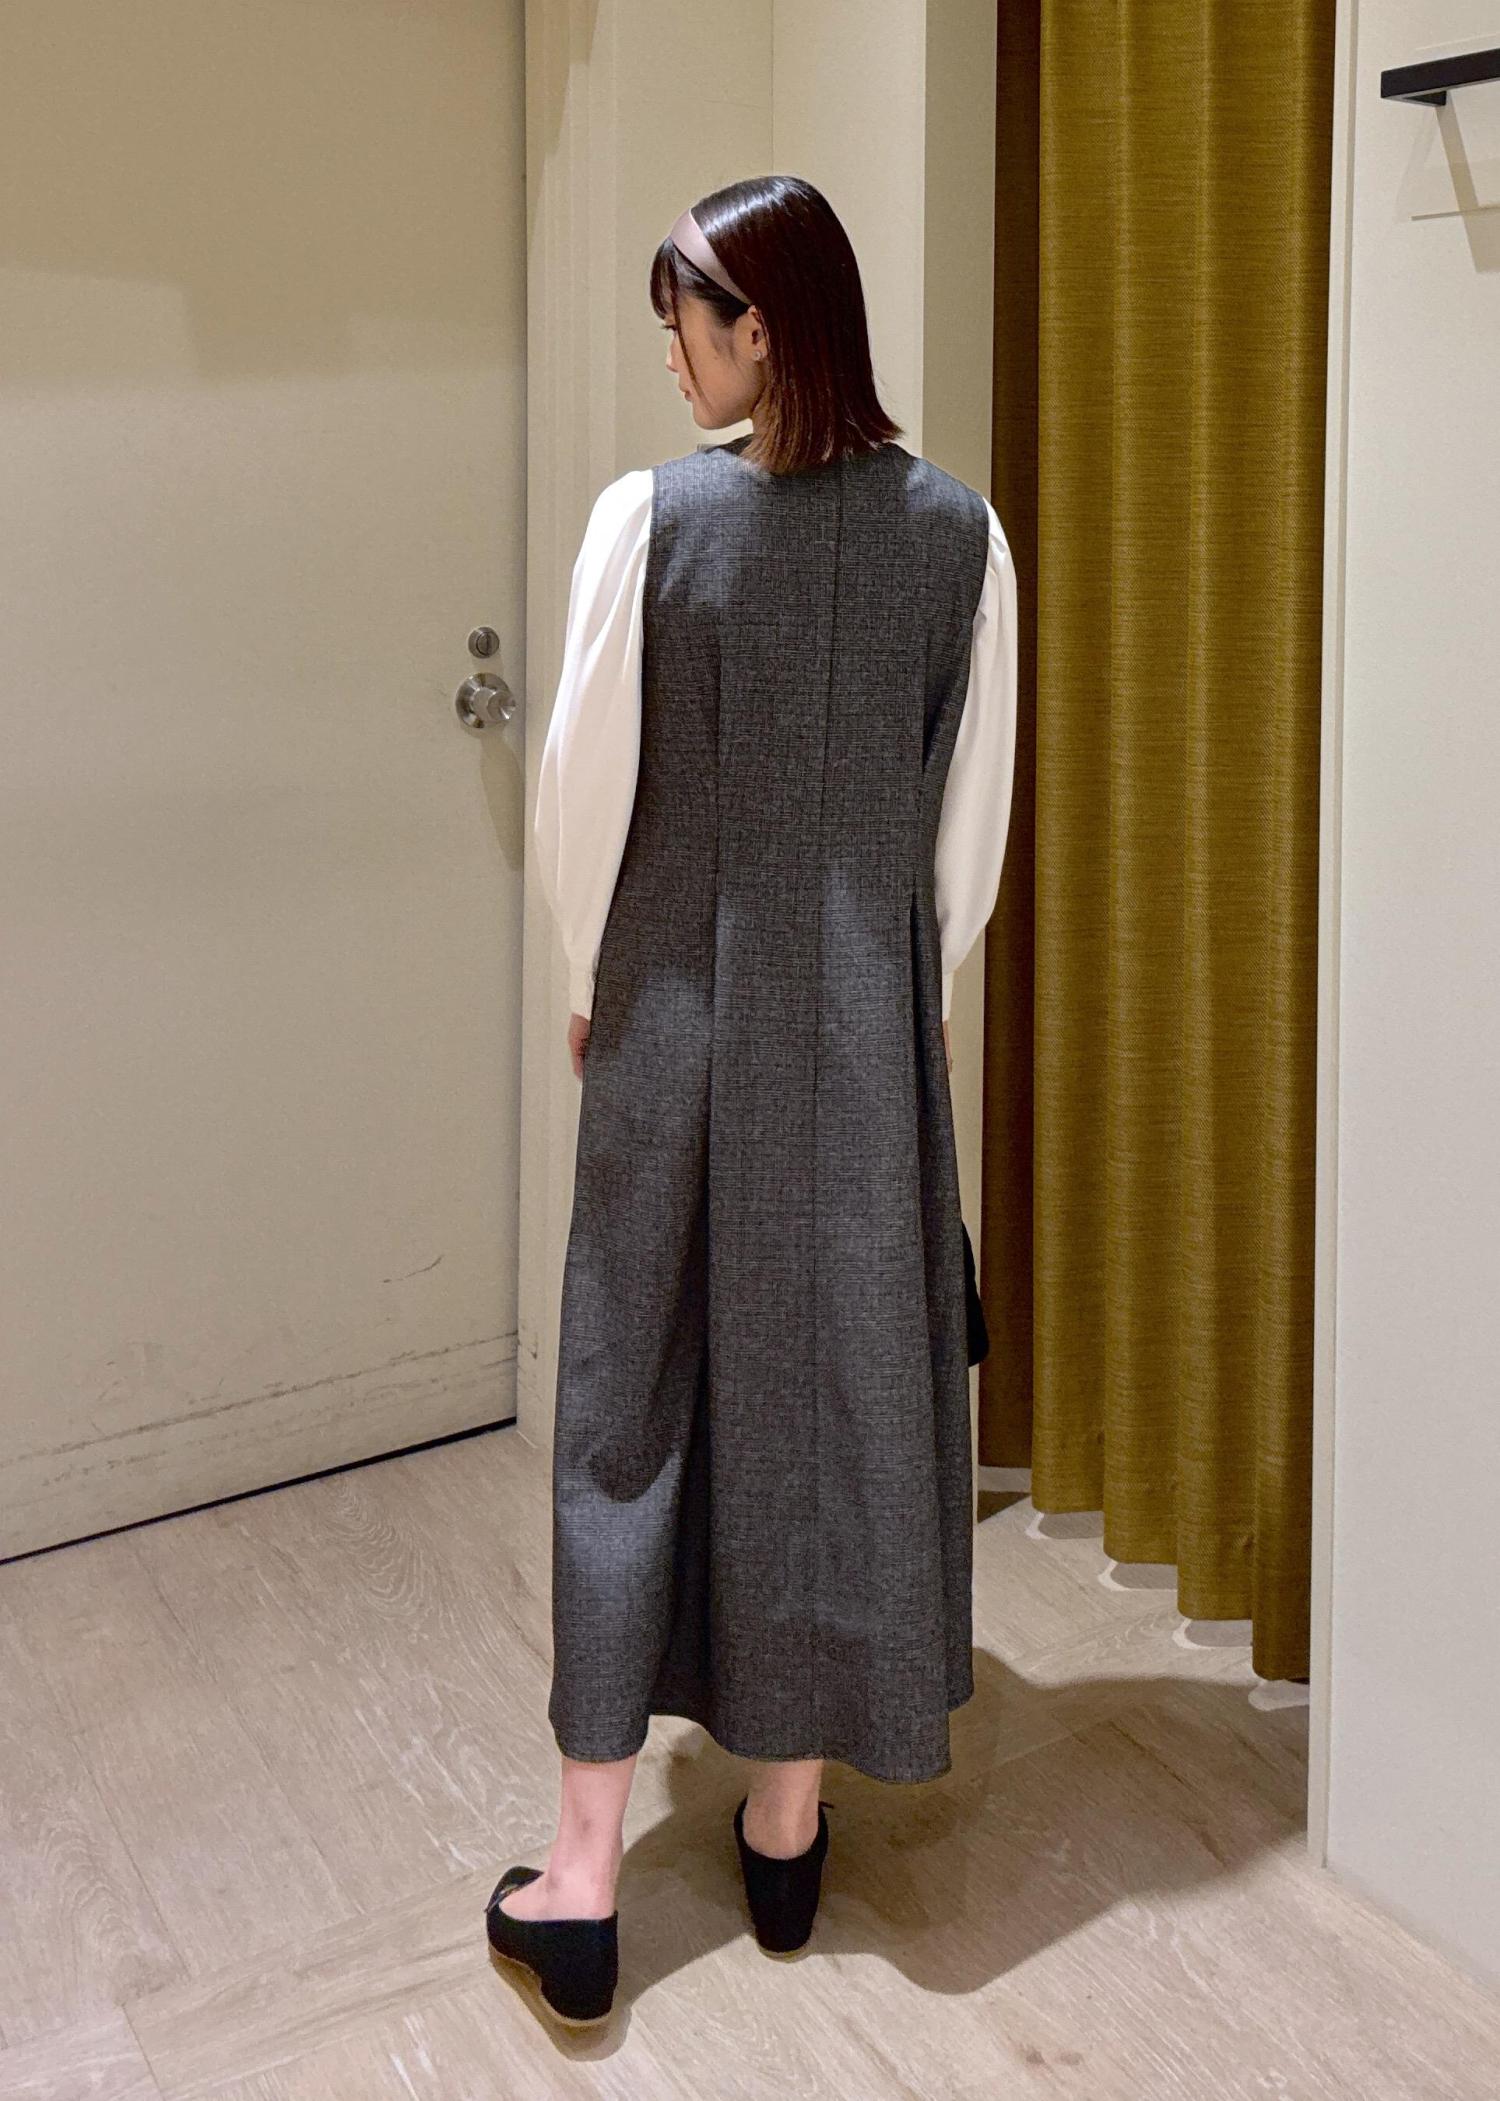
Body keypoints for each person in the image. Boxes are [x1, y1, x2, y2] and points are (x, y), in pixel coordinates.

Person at [486, 174, 1018, 2028]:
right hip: (866, 1029)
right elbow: (965, 839)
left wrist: (588, 978)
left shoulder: (653, 523)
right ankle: (786, 1829)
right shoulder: (964, 536)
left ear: (764, 331)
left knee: (630, 1396)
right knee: (826, 1390)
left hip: (678, 1010)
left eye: (688, 324)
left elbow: (585, 793)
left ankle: (580, 1877)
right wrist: (892, 999)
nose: (674, 357)